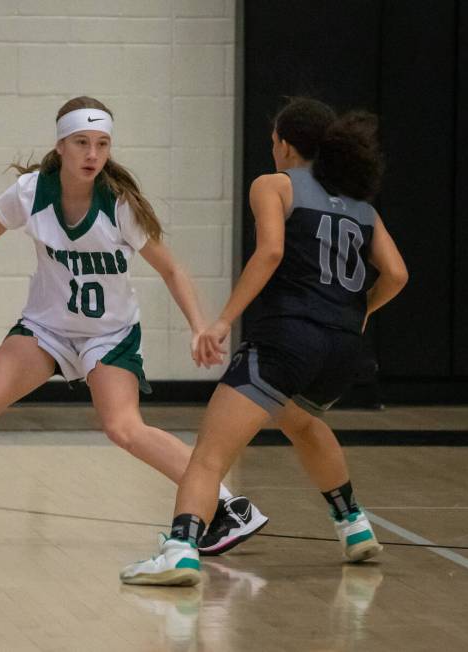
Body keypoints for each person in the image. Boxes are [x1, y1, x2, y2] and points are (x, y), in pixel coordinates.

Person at [0, 96, 268, 551]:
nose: (92, 154)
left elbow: (171, 268)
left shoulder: (120, 205)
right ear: (61, 145)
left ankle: (229, 505)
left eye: (102, 144)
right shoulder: (31, 194)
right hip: (46, 330)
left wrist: (198, 326)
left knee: (124, 429)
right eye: (82, 143)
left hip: (109, 336)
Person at [121, 97, 409, 586]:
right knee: (302, 422)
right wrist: (356, 314)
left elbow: (271, 251)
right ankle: (353, 523)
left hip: (288, 338)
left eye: (273, 141)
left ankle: (180, 549)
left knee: (210, 452)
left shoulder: (273, 185)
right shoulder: (361, 204)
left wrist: (222, 321)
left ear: (285, 145)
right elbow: (398, 274)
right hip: (342, 349)